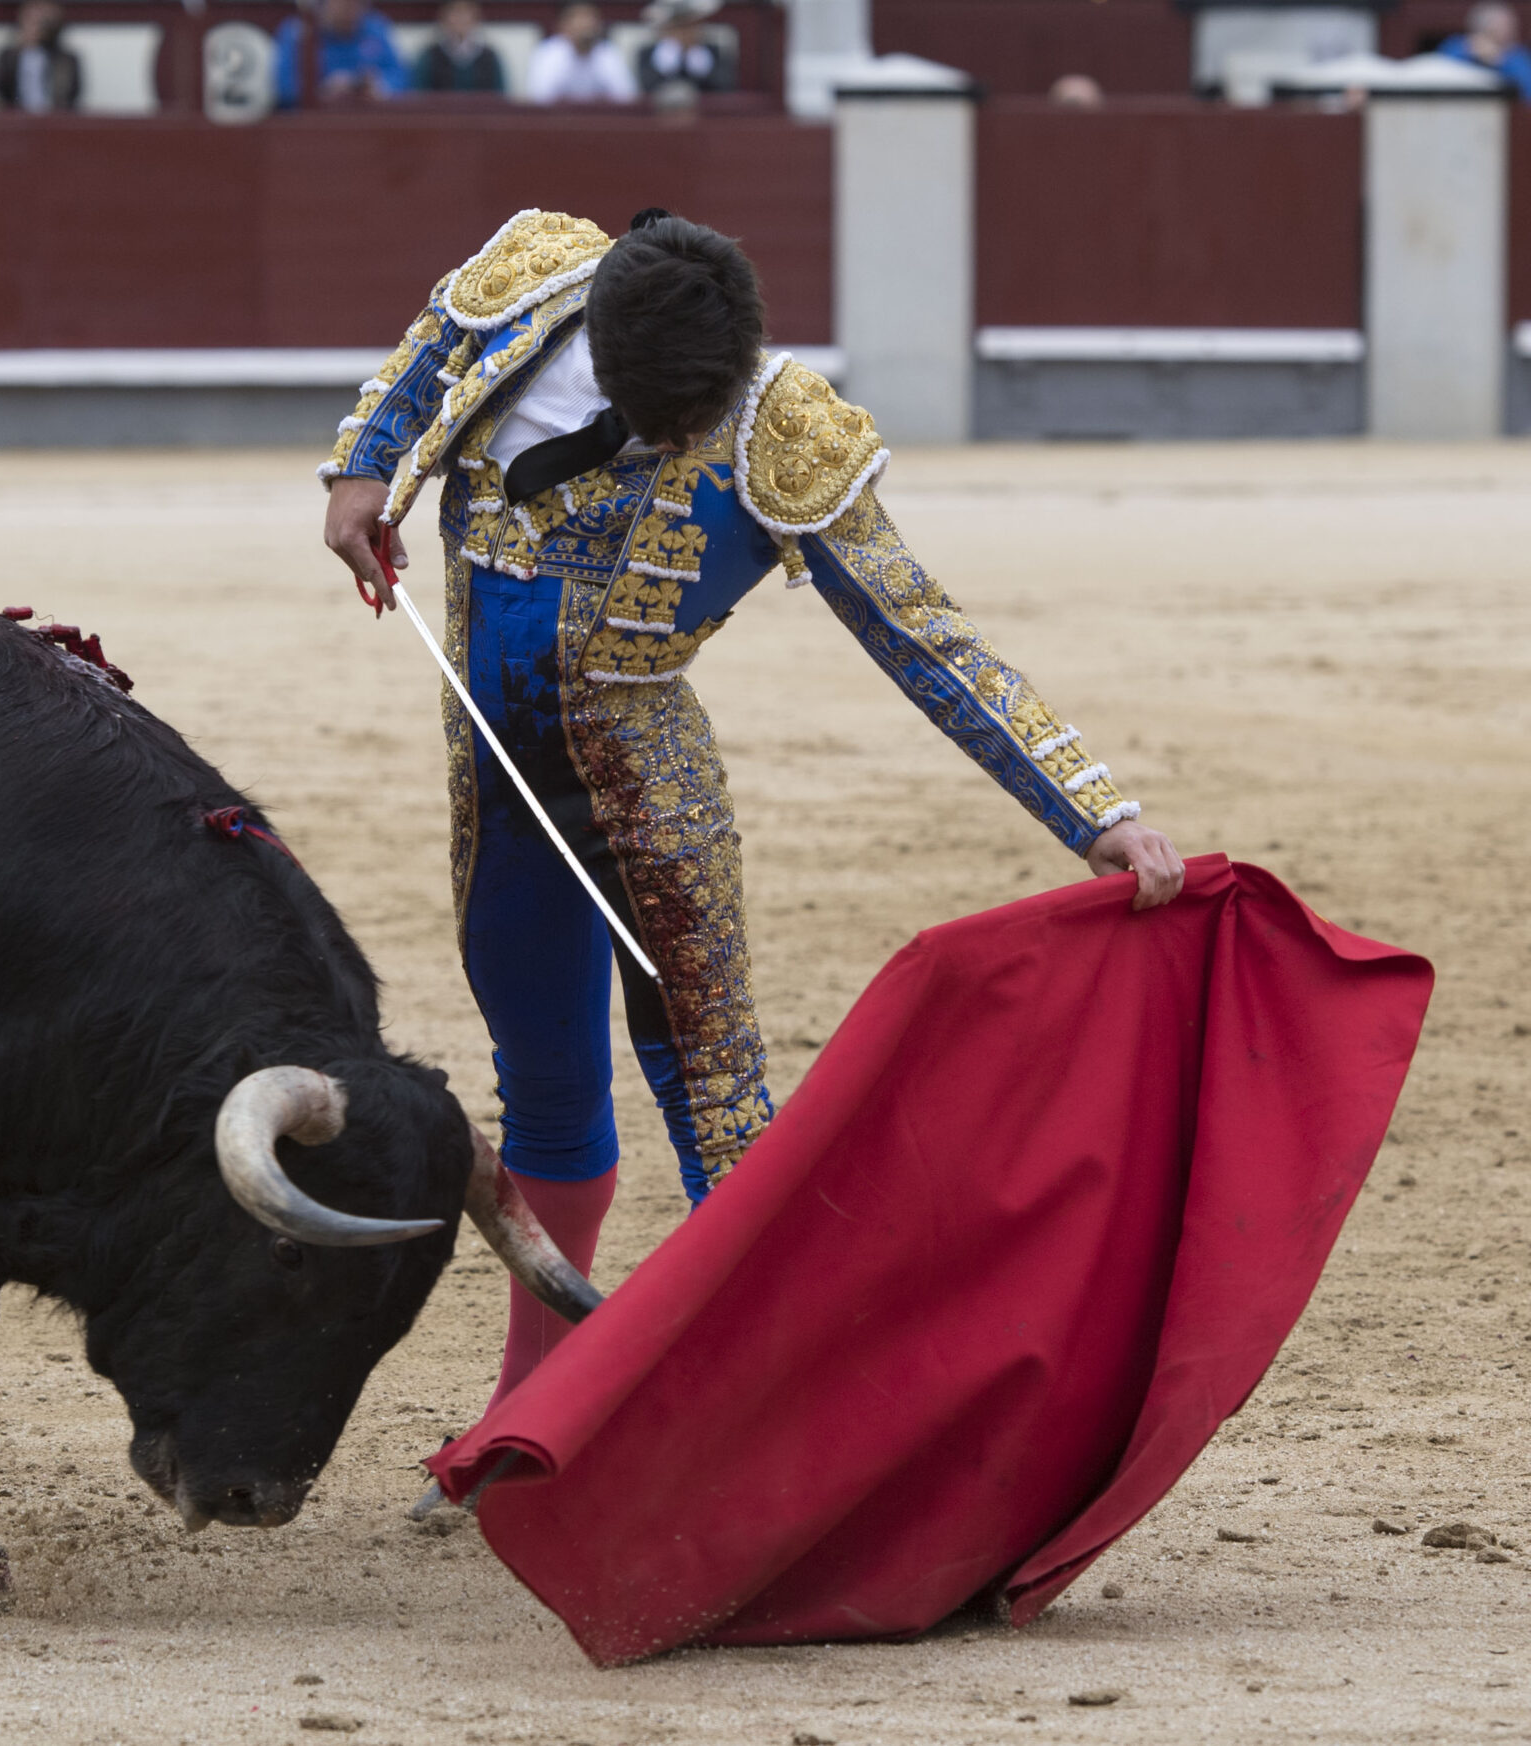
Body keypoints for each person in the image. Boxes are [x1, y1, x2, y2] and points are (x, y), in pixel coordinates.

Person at [317, 209, 1184, 1407]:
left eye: (701, 413)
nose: (689, 436)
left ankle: (789, 1420)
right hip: (499, 796)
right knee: (546, 1092)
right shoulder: (526, 288)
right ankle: (536, 1411)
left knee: (723, 1117)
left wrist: (1092, 810)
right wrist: (365, 465)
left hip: (647, 802)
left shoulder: (783, 428)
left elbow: (921, 633)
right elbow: (426, 354)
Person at [273, 0, 406, 110]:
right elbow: (284, 86)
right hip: (313, 122)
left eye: (358, 3)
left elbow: (401, 76)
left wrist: (379, 86)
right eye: (344, 3)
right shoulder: (298, 31)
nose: (351, 8)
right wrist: (322, 90)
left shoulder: (376, 27)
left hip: (369, 117)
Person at [525, 0, 635, 104]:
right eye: (579, 17)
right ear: (563, 24)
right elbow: (540, 98)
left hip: (600, 121)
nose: (586, 24)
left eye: (590, 17)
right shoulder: (549, 52)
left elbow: (626, 98)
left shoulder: (608, 53)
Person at [633, 0, 733, 100]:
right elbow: (645, 88)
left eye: (691, 26)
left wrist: (699, 66)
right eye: (678, 27)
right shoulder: (648, 54)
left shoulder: (713, 52)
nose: (685, 33)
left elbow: (724, 88)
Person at [0, 0, 80, 112]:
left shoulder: (66, 59)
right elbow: (1, 89)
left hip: (54, 119)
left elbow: (70, 94)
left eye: (40, 22)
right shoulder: (8, 56)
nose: (34, 27)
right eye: (30, 20)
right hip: (17, 118)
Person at [1438, 0, 1531, 98]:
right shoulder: (1457, 46)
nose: (1511, 29)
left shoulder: (1516, 55)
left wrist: (1501, 60)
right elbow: (1438, 72)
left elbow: (1528, 91)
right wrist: (1471, 52)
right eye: (1502, 24)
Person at [415, 0, 504, 93]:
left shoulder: (490, 58)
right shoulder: (429, 57)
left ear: (476, 16)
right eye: (454, 11)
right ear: (443, 17)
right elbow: (419, 98)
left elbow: (500, 99)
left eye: (466, 12)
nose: (460, 18)